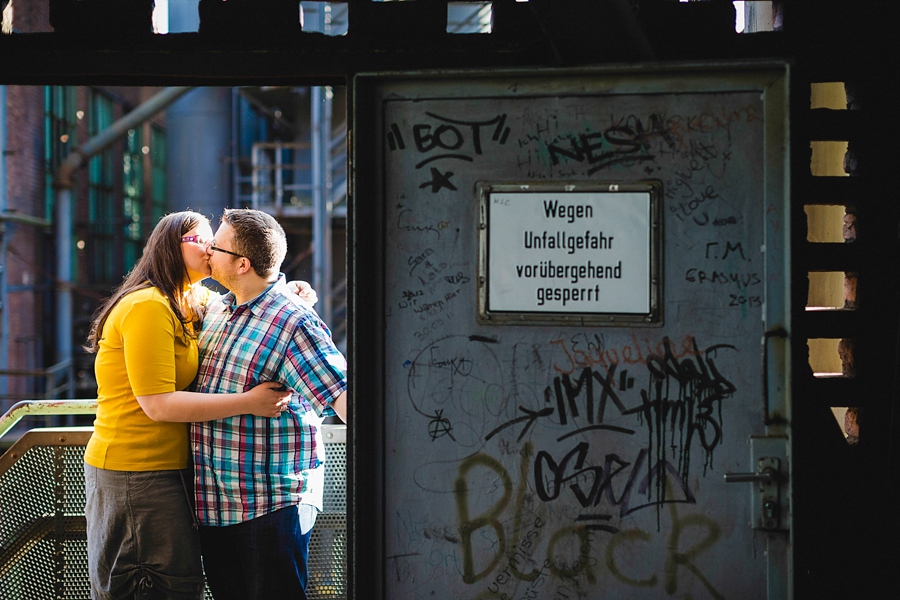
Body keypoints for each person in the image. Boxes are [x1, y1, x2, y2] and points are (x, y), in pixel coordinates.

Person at [83, 210, 299, 600]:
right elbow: (159, 405)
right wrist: (249, 402)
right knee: (148, 583)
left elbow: (252, 294)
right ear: (169, 247)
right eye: (199, 239)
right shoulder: (148, 306)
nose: (210, 246)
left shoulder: (193, 299)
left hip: (172, 469)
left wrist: (294, 289)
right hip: (136, 471)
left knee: (178, 582)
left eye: (213, 240)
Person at [191, 208, 348, 600]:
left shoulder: (294, 323)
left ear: (242, 264)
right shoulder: (217, 310)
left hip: (272, 507)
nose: (208, 250)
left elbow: (342, 397)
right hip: (215, 508)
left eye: (217, 245)